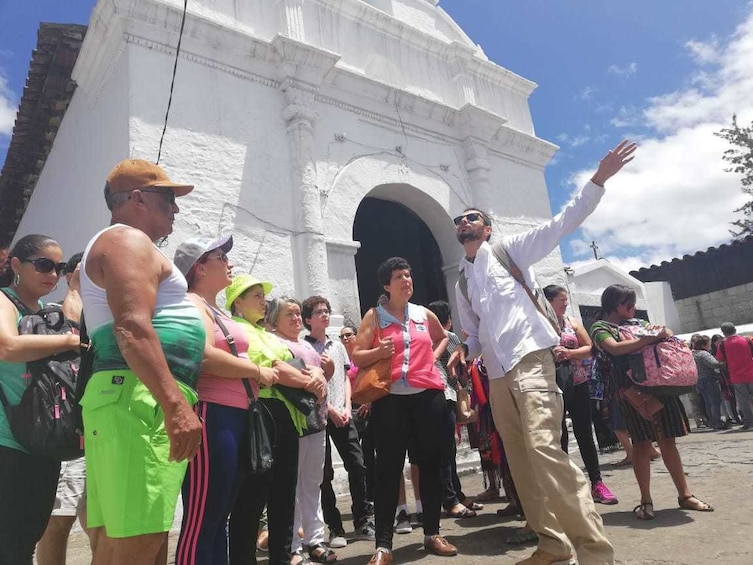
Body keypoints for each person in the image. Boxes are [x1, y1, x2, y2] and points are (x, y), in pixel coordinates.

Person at [451, 142, 634, 565]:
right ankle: (551, 543)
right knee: (519, 459)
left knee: (544, 449)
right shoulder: (462, 279)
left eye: (472, 216)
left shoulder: (510, 250)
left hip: (531, 359)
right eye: (459, 219)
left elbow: (562, 222)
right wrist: (464, 350)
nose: (464, 221)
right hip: (496, 374)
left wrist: (598, 179)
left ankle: (594, 552)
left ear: (487, 228)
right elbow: (475, 333)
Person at [79, 159, 207, 565]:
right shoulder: (127, 241)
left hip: (130, 398)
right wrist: (175, 406)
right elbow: (132, 328)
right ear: (137, 199)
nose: (175, 209)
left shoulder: (125, 242)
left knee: (124, 537)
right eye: (167, 199)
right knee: (136, 540)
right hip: (139, 400)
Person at [172, 235, 278, 564]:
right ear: (199, 268)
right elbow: (200, 355)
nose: (229, 262)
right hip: (212, 415)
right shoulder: (192, 303)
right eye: (220, 256)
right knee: (203, 521)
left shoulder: (216, 309)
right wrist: (255, 371)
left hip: (235, 416)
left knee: (219, 518)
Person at [352, 257, 455, 565]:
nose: (406, 280)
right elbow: (357, 354)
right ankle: (383, 545)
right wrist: (378, 351)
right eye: (399, 276)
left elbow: (443, 337)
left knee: (431, 465)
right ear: (387, 285)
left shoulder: (424, 313)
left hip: (428, 397)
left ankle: (432, 533)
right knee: (387, 470)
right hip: (391, 399)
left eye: (409, 275)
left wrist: (432, 361)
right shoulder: (375, 315)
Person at [225, 276, 326, 565]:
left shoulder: (269, 335)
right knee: (253, 496)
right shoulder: (238, 331)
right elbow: (276, 367)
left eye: (263, 295)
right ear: (238, 303)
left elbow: (302, 363)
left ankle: (282, 557)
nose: (263, 300)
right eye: (255, 295)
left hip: (288, 417)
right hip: (261, 412)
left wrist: (315, 375)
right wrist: (310, 382)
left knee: (284, 494)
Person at [590, 284, 713, 520]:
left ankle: (685, 495)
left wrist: (656, 333)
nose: (634, 308)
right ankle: (645, 499)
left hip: (661, 386)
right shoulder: (600, 327)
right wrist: (649, 339)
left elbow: (664, 331)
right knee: (641, 443)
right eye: (629, 304)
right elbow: (614, 349)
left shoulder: (640, 324)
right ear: (616, 305)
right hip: (631, 390)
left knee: (668, 440)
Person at [0, 234, 80, 565]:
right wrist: (66, 341)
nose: (52, 274)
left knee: (28, 536)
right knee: (7, 540)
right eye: (44, 265)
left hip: (43, 440)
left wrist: (74, 289)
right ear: (16, 265)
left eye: (58, 268)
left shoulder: (51, 312)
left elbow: (76, 327)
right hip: (8, 439)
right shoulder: (4, 301)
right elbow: (7, 346)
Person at [303, 296, 376, 550]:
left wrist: (346, 406)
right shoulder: (304, 348)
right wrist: (330, 409)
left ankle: (362, 520)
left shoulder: (337, 345)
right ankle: (335, 526)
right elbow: (310, 387)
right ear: (307, 319)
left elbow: (344, 377)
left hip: (344, 414)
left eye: (326, 311)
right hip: (320, 417)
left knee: (357, 464)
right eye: (318, 312)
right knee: (324, 474)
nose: (324, 315)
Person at [267, 297, 333, 565]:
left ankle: (315, 539)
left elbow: (320, 379)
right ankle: (294, 544)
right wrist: (315, 375)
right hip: (293, 424)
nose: (296, 319)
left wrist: (324, 371)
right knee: (290, 487)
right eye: (289, 315)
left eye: (297, 314)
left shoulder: (307, 345)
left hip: (316, 421)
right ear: (275, 320)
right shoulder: (275, 343)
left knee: (312, 483)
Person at [36, 252, 92, 565]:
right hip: (62, 428)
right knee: (59, 518)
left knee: (96, 518)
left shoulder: (102, 318)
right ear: (70, 272)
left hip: (97, 425)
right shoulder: (48, 315)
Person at [543, 285, 617, 505]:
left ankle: (597, 482)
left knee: (585, 431)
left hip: (578, 380)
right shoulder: (540, 323)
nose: (565, 303)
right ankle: (567, 485)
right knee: (559, 434)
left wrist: (569, 353)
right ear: (548, 301)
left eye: (566, 299)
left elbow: (590, 348)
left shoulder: (572, 322)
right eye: (561, 299)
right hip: (552, 382)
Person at [426, 299, 482, 519]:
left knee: (445, 450)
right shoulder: (450, 338)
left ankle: (456, 495)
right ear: (447, 321)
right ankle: (451, 499)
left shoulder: (426, 338)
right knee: (447, 451)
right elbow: (460, 367)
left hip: (433, 395)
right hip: (447, 394)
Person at [716, 322, 753, 430]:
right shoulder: (747, 340)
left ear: (724, 332)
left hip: (737, 376)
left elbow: (720, 359)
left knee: (743, 401)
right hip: (751, 373)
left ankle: (749, 422)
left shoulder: (722, 345)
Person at [692, 336, 725, 431]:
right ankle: (717, 423)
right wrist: (722, 363)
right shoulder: (703, 354)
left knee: (708, 402)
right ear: (703, 345)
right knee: (715, 402)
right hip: (709, 379)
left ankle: (712, 422)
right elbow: (714, 364)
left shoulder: (693, 354)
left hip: (699, 380)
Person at [710, 334, 740, 425]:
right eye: (717, 341)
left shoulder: (725, 348)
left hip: (731, 375)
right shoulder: (712, 353)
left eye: (721, 340)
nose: (719, 342)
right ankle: (731, 416)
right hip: (722, 378)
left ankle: (738, 416)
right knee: (727, 398)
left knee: (736, 397)